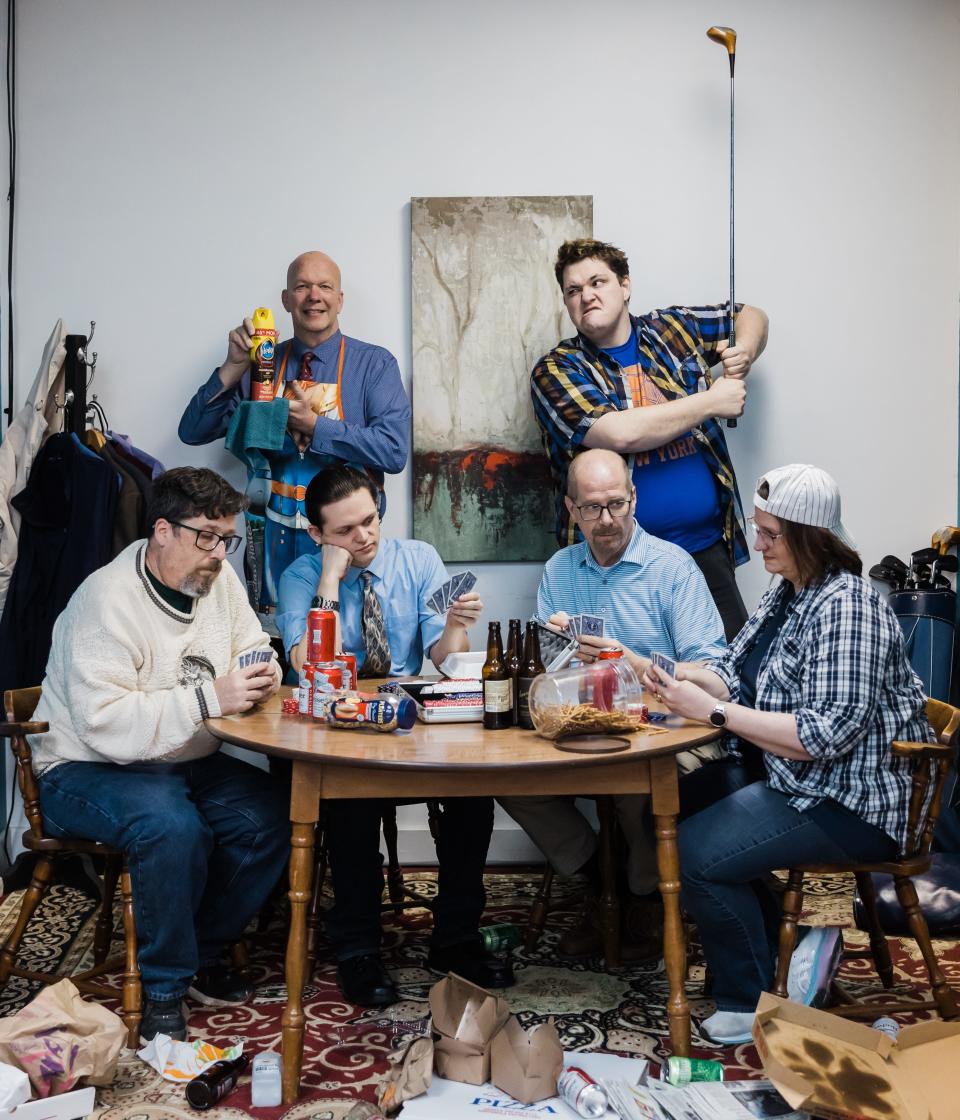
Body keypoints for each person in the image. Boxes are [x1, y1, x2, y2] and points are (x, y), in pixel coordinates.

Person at [644, 463, 933, 1044]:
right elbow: (731, 670)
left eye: (771, 534)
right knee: (684, 804)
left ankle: (750, 995)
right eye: (758, 528)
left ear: (810, 534)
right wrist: (655, 670)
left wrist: (711, 714)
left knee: (696, 853)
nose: (758, 544)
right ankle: (793, 942)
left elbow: (822, 738)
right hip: (801, 781)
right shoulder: (790, 592)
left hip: (853, 801)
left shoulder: (847, 608)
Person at [30, 468, 290, 1043]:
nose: (219, 554)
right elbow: (107, 725)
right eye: (206, 537)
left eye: (228, 538)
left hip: (175, 758)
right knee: (171, 828)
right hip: (83, 766)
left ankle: (197, 949)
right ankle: (164, 990)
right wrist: (209, 697)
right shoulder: (106, 600)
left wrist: (263, 668)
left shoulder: (217, 582)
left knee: (272, 815)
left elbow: (250, 643)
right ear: (162, 531)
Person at [276, 464, 512, 1006]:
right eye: (345, 531)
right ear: (317, 534)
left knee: (474, 798)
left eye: (370, 521)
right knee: (352, 807)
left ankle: (455, 939)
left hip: (409, 720)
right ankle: (358, 949)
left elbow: (443, 660)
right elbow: (307, 663)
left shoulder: (419, 560)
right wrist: (330, 579)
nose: (364, 538)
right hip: (342, 724)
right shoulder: (299, 575)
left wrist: (455, 624)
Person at [499, 448, 727, 960]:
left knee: (634, 786)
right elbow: (543, 676)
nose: (606, 521)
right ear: (570, 509)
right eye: (591, 509)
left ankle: (642, 898)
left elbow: (717, 678)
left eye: (617, 505)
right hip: (580, 724)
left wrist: (633, 661)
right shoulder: (560, 569)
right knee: (505, 778)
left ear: (635, 499)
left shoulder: (673, 568)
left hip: (660, 729)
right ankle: (602, 883)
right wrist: (557, 655)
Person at [531, 238, 769, 640]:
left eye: (597, 282)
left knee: (724, 679)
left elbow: (751, 315)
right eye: (573, 291)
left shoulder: (673, 329)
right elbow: (619, 432)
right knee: (617, 685)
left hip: (707, 550)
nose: (586, 295)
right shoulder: (556, 370)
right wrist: (711, 401)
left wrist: (742, 351)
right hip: (616, 564)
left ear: (625, 286)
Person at [179, 251, 411, 609]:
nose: (313, 296)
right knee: (277, 645)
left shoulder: (374, 366)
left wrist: (316, 426)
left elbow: (393, 452)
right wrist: (233, 366)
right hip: (270, 542)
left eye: (325, 286)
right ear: (287, 300)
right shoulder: (261, 367)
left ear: (340, 299)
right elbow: (192, 431)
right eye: (302, 287)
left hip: (346, 545)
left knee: (339, 639)